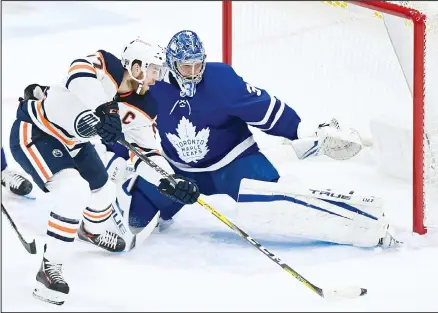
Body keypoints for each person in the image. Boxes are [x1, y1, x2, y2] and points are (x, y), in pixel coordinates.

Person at [120, 29, 398, 250]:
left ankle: (366, 227)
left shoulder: (220, 79)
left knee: (283, 205)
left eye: (197, 65)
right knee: (131, 218)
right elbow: (128, 127)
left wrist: (302, 130)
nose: (193, 73)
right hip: (180, 172)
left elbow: (266, 111)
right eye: (185, 66)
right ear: (170, 63)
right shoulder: (153, 86)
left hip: (233, 164)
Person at [9, 38, 198, 306]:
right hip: (37, 132)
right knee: (73, 190)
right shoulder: (106, 63)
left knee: (104, 190)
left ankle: (91, 230)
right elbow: (77, 73)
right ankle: (49, 269)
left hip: (75, 144)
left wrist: (168, 180)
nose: (158, 77)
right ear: (136, 66)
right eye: (154, 69)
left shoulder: (145, 107)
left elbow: (146, 153)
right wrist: (104, 108)